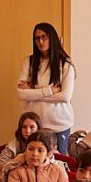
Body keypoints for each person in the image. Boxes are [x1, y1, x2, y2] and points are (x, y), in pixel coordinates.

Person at [15, 21, 77, 153]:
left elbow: (65, 96)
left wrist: (33, 92)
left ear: (52, 38)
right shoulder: (28, 62)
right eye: (37, 38)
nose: (40, 41)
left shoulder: (65, 64)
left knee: (58, 163)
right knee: (31, 161)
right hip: (33, 126)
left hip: (59, 125)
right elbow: (21, 94)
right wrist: (48, 91)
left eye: (44, 37)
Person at [0, 112, 43, 180]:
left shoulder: (45, 145)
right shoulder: (13, 145)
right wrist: (16, 162)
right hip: (17, 180)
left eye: (31, 127)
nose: (27, 131)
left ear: (38, 128)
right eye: (24, 127)